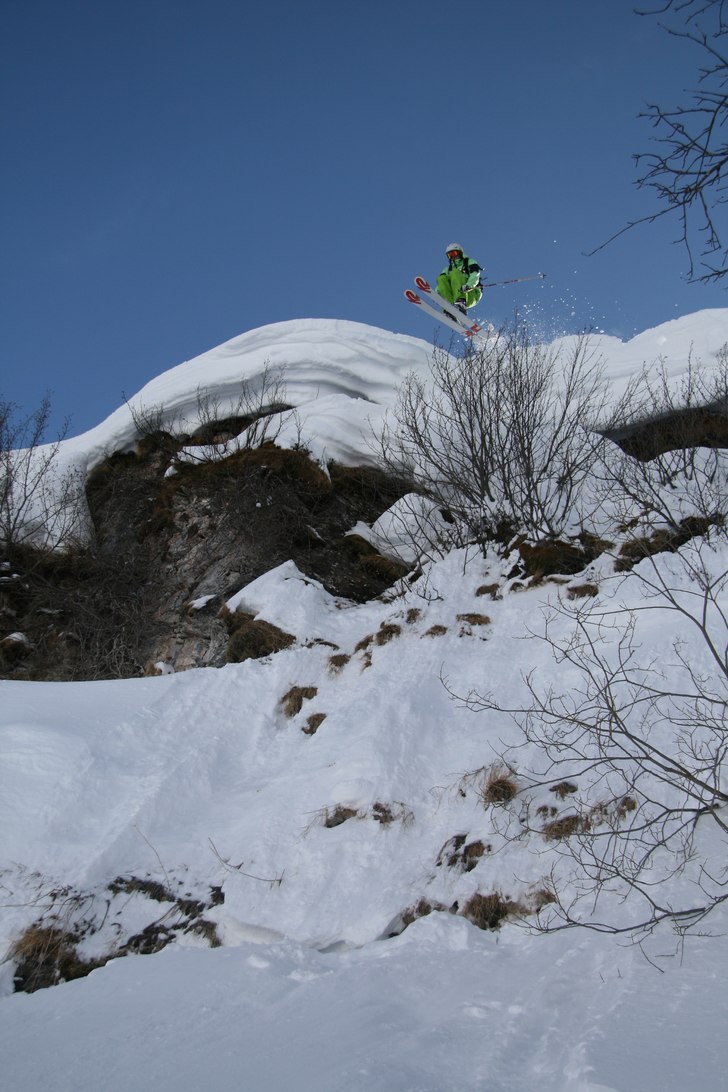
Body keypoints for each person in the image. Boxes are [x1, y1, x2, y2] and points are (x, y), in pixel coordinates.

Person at [436, 243, 483, 314]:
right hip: (454, 296)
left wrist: (469, 285)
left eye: (454, 253)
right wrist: (437, 293)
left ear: (460, 253)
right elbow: (441, 284)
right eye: (450, 255)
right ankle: (449, 307)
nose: (452, 257)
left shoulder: (469, 262)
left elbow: (475, 275)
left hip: (471, 294)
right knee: (441, 278)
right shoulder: (447, 269)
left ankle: (461, 303)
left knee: (456, 273)